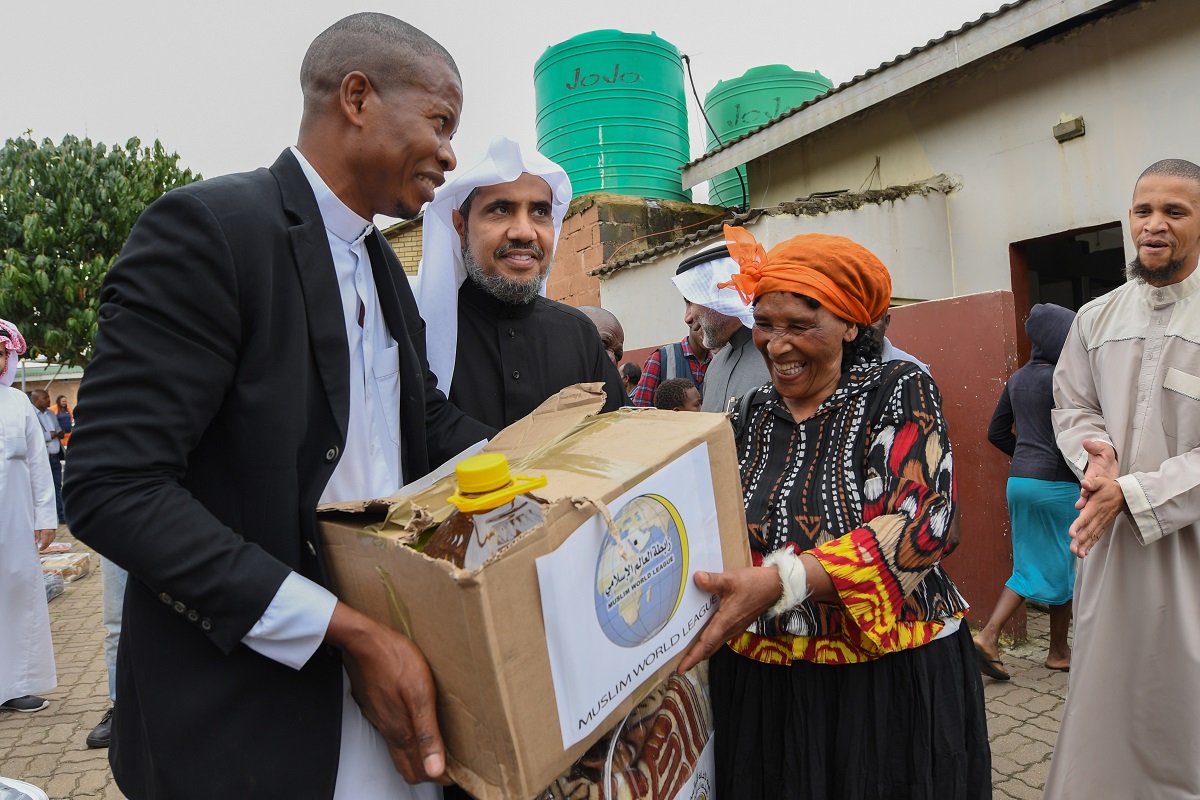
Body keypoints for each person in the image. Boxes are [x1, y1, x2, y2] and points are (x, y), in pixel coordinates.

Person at [62, 14, 494, 799]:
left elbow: (424, 426)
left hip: (381, 693)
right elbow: (111, 487)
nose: (450, 153)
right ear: (356, 97)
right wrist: (342, 629)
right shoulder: (212, 231)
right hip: (248, 718)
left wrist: (571, 460)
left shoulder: (378, 263)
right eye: (440, 122)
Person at [677, 226, 990, 799]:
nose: (776, 344)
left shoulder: (897, 388)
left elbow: (924, 522)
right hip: (764, 676)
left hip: (883, 677)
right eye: (766, 323)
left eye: (800, 325)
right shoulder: (746, 412)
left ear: (851, 323)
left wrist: (782, 581)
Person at [1043, 159, 1200, 799]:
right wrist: (1097, 456)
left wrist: (1135, 493)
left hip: (1188, 551)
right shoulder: (1095, 318)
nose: (1154, 226)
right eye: (1143, 211)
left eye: (1176, 212)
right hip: (1110, 548)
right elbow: (1073, 407)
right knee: (1106, 700)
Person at [415, 137, 625, 429]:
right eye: (501, 210)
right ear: (461, 228)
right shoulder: (418, 329)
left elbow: (619, 445)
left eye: (540, 212)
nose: (524, 232)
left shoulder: (580, 335)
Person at [973, 303, 1078, 680]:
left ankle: (1058, 652)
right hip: (1058, 485)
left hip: (1021, 482)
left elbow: (996, 432)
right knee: (1051, 564)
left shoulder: (1017, 378)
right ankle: (988, 635)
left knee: (1049, 563)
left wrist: (1027, 459)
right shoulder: (1067, 379)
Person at [0, 319, 58, 714]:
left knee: (16, 596)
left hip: (15, 522)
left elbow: (39, 465)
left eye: (2, 354)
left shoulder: (17, 404)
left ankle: (14, 686)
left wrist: (46, 518)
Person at [672, 242, 771, 413]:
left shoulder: (776, 358)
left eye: (691, 302)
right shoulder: (715, 366)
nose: (687, 317)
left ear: (723, 295)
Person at [630, 310, 712, 407]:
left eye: (714, 327)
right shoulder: (660, 359)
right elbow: (641, 410)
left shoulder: (719, 362)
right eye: (704, 325)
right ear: (691, 321)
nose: (710, 332)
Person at [29, 389, 66, 523]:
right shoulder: (30, 414)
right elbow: (31, 436)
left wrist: (58, 433)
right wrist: (48, 435)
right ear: (36, 399)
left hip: (54, 456)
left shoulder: (50, 413)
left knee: (57, 486)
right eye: (45, 398)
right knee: (41, 488)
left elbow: (56, 430)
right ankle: (41, 519)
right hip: (41, 458)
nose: (49, 400)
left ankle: (61, 515)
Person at [870, 311, 931, 375]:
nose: (865, 327)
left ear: (886, 321)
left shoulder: (915, 371)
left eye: (873, 319)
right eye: (859, 320)